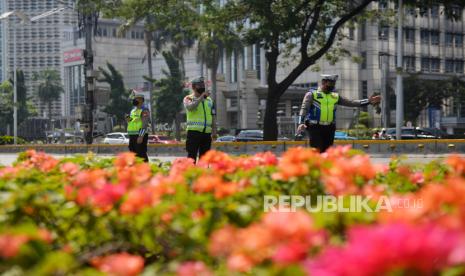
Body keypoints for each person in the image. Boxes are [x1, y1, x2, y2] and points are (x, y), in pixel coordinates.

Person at [297, 74, 381, 152]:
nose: (332, 85)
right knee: (317, 151)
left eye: (334, 83)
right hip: (315, 127)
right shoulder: (312, 94)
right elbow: (304, 108)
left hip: (329, 128)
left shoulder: (335, 96)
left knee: (328, 152)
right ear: (323, 82)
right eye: (330, 83)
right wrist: (300, 123)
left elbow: (351, 103)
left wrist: (368, 101)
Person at [183, 77, 217, 163]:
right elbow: (190, 107)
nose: (202, 87)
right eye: (199, 85)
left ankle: (203, 175)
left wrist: (214, 132)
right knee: (191, 157)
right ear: (193, 87)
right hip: (193, 133)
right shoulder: (188, 98)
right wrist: (201, 97)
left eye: (203, 85)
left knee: (205, 158)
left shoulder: (209, 100)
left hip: (206, 134)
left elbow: (213, 116)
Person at [127, 93, 150, 162]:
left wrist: (141, 136)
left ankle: (146, 169)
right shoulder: (133, 110)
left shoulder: (144, 110)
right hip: (132, 135)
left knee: (141, 154)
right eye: (134, 99)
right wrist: (128, 119)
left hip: (140, 135)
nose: (134, 100)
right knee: (133, 154)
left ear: (141, 100)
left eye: (136, 99)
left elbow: (144, 124)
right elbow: (131, 122)